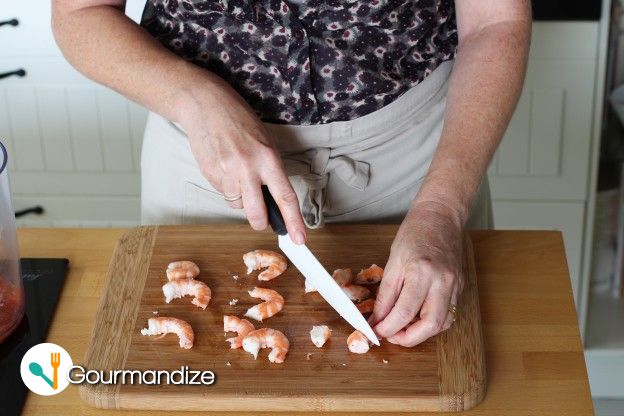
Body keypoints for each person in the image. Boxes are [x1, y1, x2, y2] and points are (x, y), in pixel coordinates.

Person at [52, 0, 531, 347]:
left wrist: (441, 209)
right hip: (208, 162)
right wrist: (195, 100)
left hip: (419, 167)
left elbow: (495, 20)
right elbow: (80, 13)